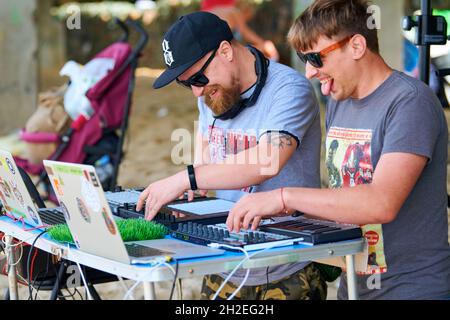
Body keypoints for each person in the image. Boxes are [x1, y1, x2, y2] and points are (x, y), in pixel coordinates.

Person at [227, 0, 450, 300]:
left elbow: (381, 203)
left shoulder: (410, 103)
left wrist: (283, 197)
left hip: (412, 289)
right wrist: (283, 218)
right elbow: (343, 194)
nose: (309, 72)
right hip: (353, 286)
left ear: (357, 46)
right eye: (303, 59)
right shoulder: (339, 101)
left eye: (316, 58)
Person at [136, 11, 326, 300]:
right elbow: (205, 166)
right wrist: (186, 196)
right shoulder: (212, 93)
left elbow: (267, 160)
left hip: (285, 270)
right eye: (187, 83)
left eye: (199, 77)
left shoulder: (289, 89)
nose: (197, 93)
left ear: (225, 50)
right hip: (222, 263)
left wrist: (185, 179)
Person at [201, 0, 279, 61]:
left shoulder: (202, 15)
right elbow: (246, 34)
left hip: (209, 57)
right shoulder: (231, 11)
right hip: (227, 55)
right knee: (266, 48)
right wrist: (265, 45)